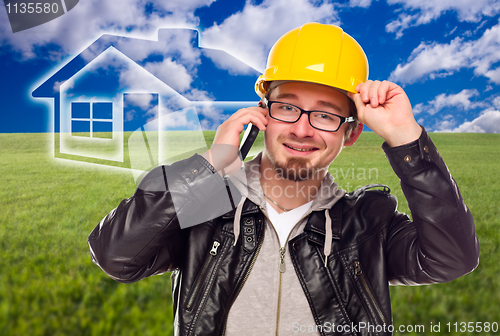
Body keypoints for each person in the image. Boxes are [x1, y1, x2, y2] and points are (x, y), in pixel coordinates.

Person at [88, 23, 479, 335]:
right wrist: (210, 164)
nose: (303, 129)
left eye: (325, 115)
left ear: (351, 132)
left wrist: (406, 139)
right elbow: (116, 257)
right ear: (262, 113)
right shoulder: (206, 209)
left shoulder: (368, 225)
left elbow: (452, 259)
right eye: (287, 107)